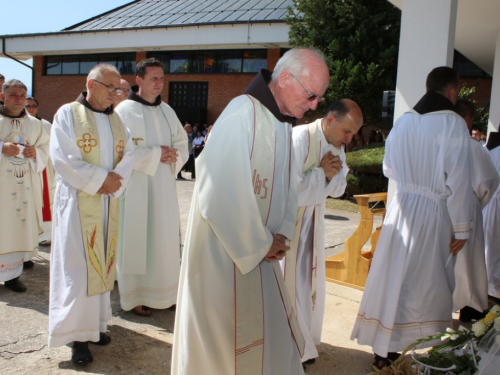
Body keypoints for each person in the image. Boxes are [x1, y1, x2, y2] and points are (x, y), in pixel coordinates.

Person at [171, 47, 330, 375]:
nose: (315, 106)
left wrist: (282, 231)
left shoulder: (282, 121)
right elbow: (217, 191)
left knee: (268, 342)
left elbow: (289, 185)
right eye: (312, 95)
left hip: (262, 253)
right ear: (285, 79)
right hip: (226, 256)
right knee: (226, 350)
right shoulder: (242, 112)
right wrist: (259, 241)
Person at [351, 67, 473, 369]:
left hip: (401, 207)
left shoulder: (403, 122)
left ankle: (385, 348)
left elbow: (389, 168)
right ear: (452, 91)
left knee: (396, 277)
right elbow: (459, 179)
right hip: (433, 212)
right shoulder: (453, 123)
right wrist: (461, 228)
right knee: (426, 282)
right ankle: (415, 347)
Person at [48, 64, 134, 364]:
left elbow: (129, 156)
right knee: (78, 268)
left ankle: (95, 326)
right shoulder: (68, 114)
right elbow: (63, 158)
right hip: (77, 203)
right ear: (91, 84)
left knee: (102, 265)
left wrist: (113, 181)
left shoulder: (118, 121)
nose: (115, 94)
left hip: (107, 202)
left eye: (118, 89)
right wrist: (100, 180)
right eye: (110, 88)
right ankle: (75, 337)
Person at [284, 99, 363, 365]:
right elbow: (288, 191)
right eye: (347, 132)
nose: (349, 140)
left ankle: (303, 341)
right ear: (330, 120)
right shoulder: (298, 138)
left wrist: (327, 177)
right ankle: (292, 346)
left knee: (306, 283)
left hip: (313, 223)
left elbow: (340, 189)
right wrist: (323, 175)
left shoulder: (337, 145)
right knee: (289, 284)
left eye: (353, 133)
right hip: (287, 225)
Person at [115, 57, 188, 317]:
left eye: (161, 78)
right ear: (139, 81)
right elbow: (119, 150)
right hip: (136, 187)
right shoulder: (123, 112)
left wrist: (174, 156)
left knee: (164, 239)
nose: (159, 83)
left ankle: (166, 294)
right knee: (137, 239)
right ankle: (136, 296)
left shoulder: (168, 111)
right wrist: (156, 154)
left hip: (164, 187)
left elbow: (182, 143)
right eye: (153, 78)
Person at [0, 79, 49, 292]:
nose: (18, 99)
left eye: (22, 94)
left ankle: (12, 276)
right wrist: (2, 147)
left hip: (23, 188)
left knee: (18, 227)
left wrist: (35, 153)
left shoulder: (36, 124)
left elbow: (46, 148)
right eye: (13, 94)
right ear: (3, 96)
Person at [453, 100, 499, 321]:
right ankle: (468, 308)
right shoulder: (471, 147)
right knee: (468, 264)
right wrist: (476, 203)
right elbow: (488, 182)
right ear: (468, 119)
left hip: (441, 208)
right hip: (468, 209)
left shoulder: (440, 142)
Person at [26, 96, 56, 247]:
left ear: (37, 108)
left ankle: (46, 234)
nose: (30, 109)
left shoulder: (45, 125)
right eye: (28, 106)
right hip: (24, 169)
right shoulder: (18, 124)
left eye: (33, 106)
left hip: (43, 167)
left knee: (45, 200)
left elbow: (51, 145)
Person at [483, 132, 500, 302]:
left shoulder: (492, 152)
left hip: (489, 204)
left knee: (488, 247)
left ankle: (486, 288)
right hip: (495, 204)